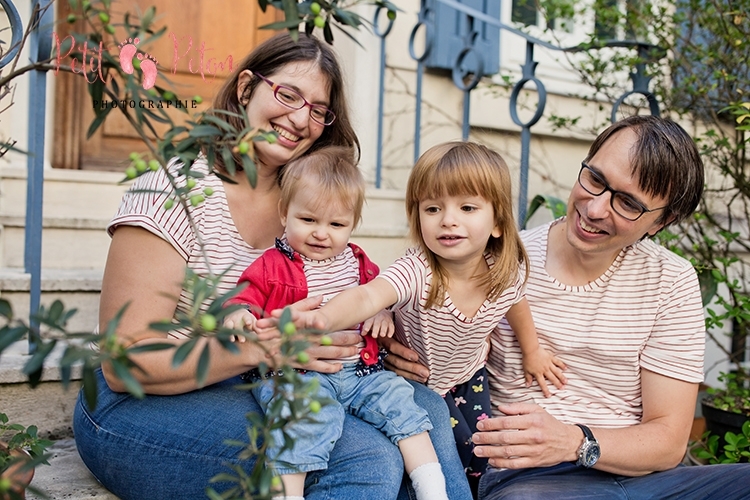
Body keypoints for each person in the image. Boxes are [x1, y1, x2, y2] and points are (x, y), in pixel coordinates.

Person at [72, 33, 470, 500]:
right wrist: (268, 347)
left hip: (268, 383)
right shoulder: (170, 195)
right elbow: (124, 364)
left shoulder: (313, 201)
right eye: (287, 94)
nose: (301, 118)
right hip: (138, 403)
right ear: (246, 89)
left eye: (319, 109)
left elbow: (349, 290)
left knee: (423, 410)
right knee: (362, 454)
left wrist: (383, 340)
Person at [380, 116, 750, 499]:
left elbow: (669, 442)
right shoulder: (495, 261)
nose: (594, 209)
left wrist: (575, 441)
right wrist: (395, 338)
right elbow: (420, 301)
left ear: (662, 221)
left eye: (627, 203)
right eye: (594, 180)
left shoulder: (671, 281)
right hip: (534, 482)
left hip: (641, 479)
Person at [265, 141, 567, 497]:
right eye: (433, 208)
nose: (448, 219)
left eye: (467, 207)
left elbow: (515, 303)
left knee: (476, 456)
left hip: (467, 377)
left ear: (498, 223)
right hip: (409, 378)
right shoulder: (417, 271)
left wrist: (532, 351)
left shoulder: (504, 273)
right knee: (431, 445)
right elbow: (369, 294)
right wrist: (325, 318)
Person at [224, 146, 449, 500]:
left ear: (352, 225)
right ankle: (288, 494)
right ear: (285, 213)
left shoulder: (359, 263)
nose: (321, 234)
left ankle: (433, 489)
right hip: (298, 374)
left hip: (361, 373)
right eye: (309, 220)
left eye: (336, 224)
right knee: (303, 418)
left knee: (403, 405)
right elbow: (244, 297)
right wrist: (240, 314)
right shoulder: (272, 265)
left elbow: (379, 296)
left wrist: (381, 313)